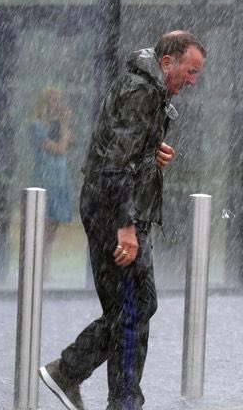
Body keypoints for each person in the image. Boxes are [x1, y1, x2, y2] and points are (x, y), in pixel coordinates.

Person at [39, 30, 206, 410]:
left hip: (117, 210)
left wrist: (153, 150)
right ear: (168, 62)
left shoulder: (149, 88)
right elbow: (115, 164)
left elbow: (123, 147)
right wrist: (126, 226)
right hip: (115, 213)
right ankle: (115, 396)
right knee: (132, 308)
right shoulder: (142, 90)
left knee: (134, 306)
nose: (193, 80)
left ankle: (73, 374)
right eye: (191, 71)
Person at [28, 87, 74, 276]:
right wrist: (63, 125)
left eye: (58, 100)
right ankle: (39, 270)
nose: (56, 105)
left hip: (60, 179)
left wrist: (63, 126)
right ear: (43, 103)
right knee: (42, 227)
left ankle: (45, 270)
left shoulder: (54, 126)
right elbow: (60, 149)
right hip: (46, 179)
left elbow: (71, 141)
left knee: (52, 229)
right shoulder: (36, 126)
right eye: (52, 101)